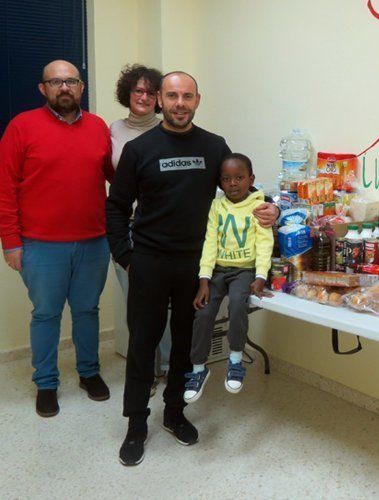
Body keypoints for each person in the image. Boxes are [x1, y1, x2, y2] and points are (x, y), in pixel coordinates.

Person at [106, 71, 279, 466]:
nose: (179, 103)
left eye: (187, 96)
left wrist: (273, 207)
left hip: (198, 266)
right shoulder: (140, 148)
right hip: (148, 261)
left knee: (186, 343)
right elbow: (116, 208)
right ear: (160, 101)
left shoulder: (214, 146)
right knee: (143, 344)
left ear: (197, 100)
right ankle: (136, 425)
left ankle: (174, 413)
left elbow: (242, 190)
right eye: (172, 96)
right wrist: (126, 256)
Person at [0, 60, 113, 417]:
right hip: (40, 245)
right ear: (43, 89)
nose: (64, 88)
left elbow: (117, 177)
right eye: (56, 82)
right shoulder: (21, 127)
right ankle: (46, 383)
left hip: (95, 241)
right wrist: (10, 241)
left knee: (86, 311)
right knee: (46, 315)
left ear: (81, 87)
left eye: (71, 81)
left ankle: (88, 373)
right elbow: (5, 188)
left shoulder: (97, 127)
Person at [184, 153, 273, 403]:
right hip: (217, 271)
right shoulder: (216, 207)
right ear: (220, 183)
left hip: (244, 271)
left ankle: (235, 360)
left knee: (237, 305)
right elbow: (210, 243)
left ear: (250, 179)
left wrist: (260, 276)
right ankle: (198, 369)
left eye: (239, 178)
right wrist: (203, 279)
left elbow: (265, 244)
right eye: (226, 179)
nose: (233, 183)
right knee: (202, 312)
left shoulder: (259, 207)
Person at [109, 64, 171, 395]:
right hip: (129, 228)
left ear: (159, 98)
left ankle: (168, 368)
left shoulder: (169, 130)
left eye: (151, 92)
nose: (144, 97)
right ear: (127, 94)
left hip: (162, 231)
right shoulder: (113, 130)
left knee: (165, 304)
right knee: (137, 306)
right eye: (138, 91)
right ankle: (144, 372)